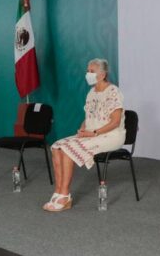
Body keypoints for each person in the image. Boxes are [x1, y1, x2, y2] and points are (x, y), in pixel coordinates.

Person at [44, 59, 125, 211]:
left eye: (92, 71)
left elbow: (115, 122)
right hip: (90, 133)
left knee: (68, 150)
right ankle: (58, 190)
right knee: (57, 146)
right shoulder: (91, 93)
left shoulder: (113, 92)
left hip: (111, 135)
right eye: (88, 71)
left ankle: (65, 196)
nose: (88, 74)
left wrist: (93, 133)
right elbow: (88, 117)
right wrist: (82, 130)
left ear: (103, 74)